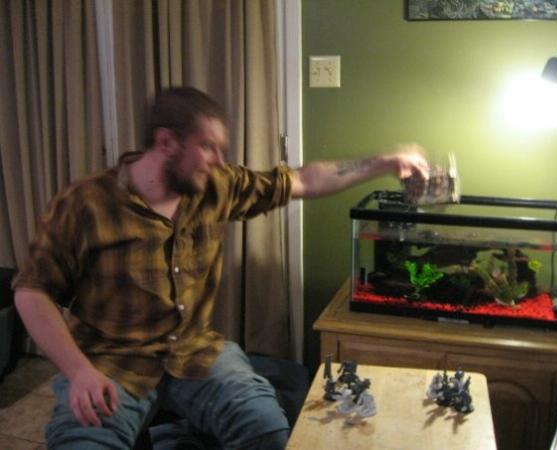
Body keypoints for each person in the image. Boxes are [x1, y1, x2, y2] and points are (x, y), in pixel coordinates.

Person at [12, 86, 429, 450]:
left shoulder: (216, 186)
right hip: (109, 363)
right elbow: (32, 291)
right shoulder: (85, 204)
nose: (218, 161)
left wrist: (384, 161)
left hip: (194, 352)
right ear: (166, 142)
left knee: (267, 432)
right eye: (208, 147)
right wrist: (78, 372)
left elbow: (305, 180)